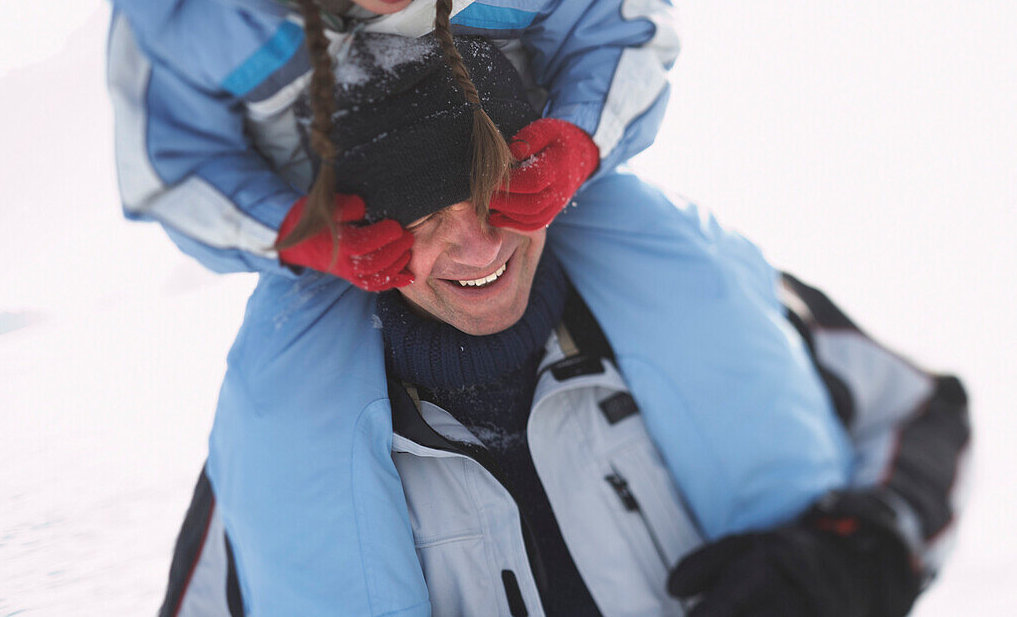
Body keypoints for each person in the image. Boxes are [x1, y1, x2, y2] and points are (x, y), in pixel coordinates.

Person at [159, 35, 969, 616]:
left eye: (493, 189)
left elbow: (923, 412)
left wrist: (851, 557)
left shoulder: (704, 306)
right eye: (418, 215)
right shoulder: (282, 446)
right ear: (361, 241)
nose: (475, 243)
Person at [94, 0, 677, 606]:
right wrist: (294, 232)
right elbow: (172, 163)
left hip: (535, 182)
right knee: (286, 416)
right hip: (332, 235)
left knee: (693, 274)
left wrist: (582, 140)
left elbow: (627, 28)